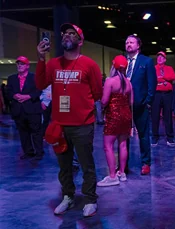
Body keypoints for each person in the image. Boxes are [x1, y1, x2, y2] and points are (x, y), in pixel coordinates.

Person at [36, 23, 102, 217]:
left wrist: (83, 109)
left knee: (86, 164)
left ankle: (90, 199)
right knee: (64, 166)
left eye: (72, 33)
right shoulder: (54, 64)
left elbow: (97, 92)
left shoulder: (90, 65)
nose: (66, 35)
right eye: (64, 33)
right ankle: (68, 196)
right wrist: (41, 58)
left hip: (82, 124)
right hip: (59, 125)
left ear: (80, 41)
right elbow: (40, 83)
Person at [123, 35, 157, 175]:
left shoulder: (146, 61)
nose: (128, 44)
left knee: (143, 135)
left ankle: (145, 163)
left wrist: (147, 101)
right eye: (126, 42)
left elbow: (152, 83)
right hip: (123, 105)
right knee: (123, 136)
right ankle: (123, 165)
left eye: (131, 42)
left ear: (138, 45)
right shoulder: (122, 61)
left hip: (140, 104)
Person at [97, 55, 133, 187]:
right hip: (126, 116)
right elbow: (131, 102)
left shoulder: (110, 81)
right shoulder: (128, 83)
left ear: (113, 66)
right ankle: (121, 173)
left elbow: (105, 101)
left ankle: (112, 176)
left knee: (108, 146)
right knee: (123, 145)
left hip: (113, 116)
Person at [7, 56, 44, 160]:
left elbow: (39, 90)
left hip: (32, 109)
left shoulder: (35, 77)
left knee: (36, 132)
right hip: (18, 110)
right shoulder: (11, 78)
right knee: (23, 133)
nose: (19, 66)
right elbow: (8, 92)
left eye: (22, 64)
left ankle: (39, 153)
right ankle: (28, 152)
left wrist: (28, 96)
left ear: (27, 66)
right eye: (18, 64)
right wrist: (14, 95)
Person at [151, 51, 175, 146]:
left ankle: (170, 137)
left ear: (165, 59)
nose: (159, 58)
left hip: (167, 94)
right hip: (156, 94)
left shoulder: (169, 68)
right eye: (158, 57)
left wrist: (162, 77)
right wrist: (165, 80)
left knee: (168, 116)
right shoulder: (153, 68)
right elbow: (152, 79)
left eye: (162, 57)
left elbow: (173, 77)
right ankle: (154, 137)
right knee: (155, 116)